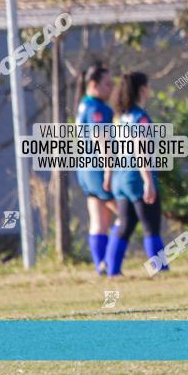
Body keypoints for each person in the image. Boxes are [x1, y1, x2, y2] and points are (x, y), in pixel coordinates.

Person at [104, 72, 168, 276]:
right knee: (151, 226)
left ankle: (112, 270)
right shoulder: (141, 118)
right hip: (136, 177)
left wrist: (108, 176)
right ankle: (160, 269)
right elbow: (141, 149)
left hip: (120, 179)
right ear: (142, 89)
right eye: (148, 86)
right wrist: (148, 181)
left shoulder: (119, 118)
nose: (150, 90)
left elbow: (109, 148)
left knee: (124, 225)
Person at [75, 65, 115, 275]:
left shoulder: (84, 104)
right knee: (129, 215)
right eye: (107, 84)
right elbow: (101, 140)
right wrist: (109, 171)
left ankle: (101, 266)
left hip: (85, 169)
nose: (111, 88)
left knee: (99, 221)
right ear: (93, 85)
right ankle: (111, 263)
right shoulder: (98, 109)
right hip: (98, 169)